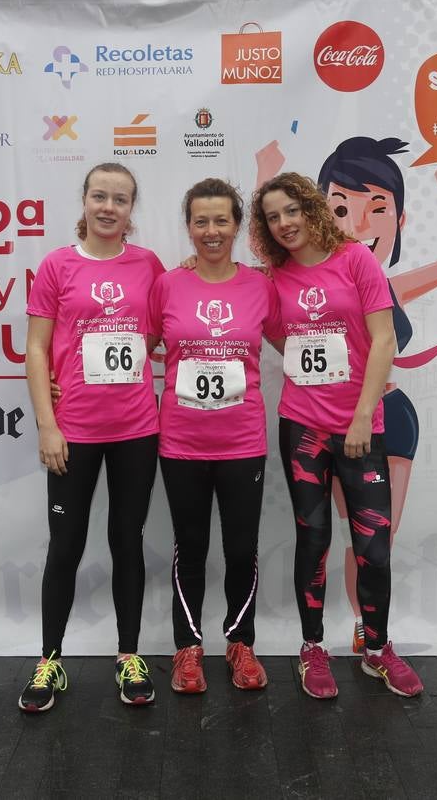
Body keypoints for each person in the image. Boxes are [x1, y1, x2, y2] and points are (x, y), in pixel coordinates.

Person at [250, 172, 424, 700]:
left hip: (360, 428)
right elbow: (279, 335)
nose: (284, 223)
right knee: (315, 539)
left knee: (374, 547)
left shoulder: (356, 259)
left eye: (291, 211)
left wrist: (361, 413)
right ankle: (312, 648)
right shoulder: (271, 277)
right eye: (272, 217)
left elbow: (383, 337)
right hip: (302, 427)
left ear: (311, 209)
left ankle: (376, 649)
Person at [315, 137, 437, 651]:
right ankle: (363, 629)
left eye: (377, 208)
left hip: (394, 415)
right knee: (354, 536)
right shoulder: (313, 282)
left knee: (380, 539)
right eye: (340, 207)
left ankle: (373, 630)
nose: (359, 223)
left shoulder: (389, 285)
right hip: (338, 418)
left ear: (400, 221)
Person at [19, 162, 165, 713]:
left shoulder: (148, 265)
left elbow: (153, 334)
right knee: (66, 545)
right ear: (83, 202)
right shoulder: (57, 266)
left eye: (120, 199)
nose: (109, 207)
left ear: (131, 210)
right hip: (71, 433)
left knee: (126, 541)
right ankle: (49, 660)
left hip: (136, 429)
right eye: (99, 196)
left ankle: (129, 655)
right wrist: (47, 424)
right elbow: (36, 349)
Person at [148, 178, 277, 694]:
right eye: (200, 221)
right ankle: (189, 648)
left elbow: (305, 340)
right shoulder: (168, 285)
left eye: (221, 220)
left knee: (243, 548)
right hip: (180, 440)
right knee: (191, 546)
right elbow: (134, 346)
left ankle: (240, 644)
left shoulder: (260, 286)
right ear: (189, 227)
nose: (211, 231)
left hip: (243, 440)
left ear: (238, 225)